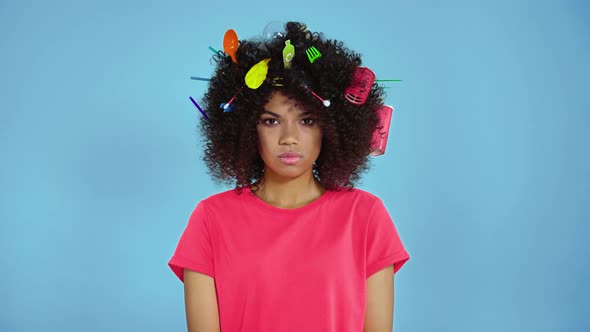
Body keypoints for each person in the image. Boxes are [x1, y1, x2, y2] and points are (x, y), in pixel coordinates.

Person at [168, 21, 410, 332]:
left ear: (331, 128)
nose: (289, 137)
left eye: (307, 120)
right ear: (246, 129)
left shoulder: (365, 217)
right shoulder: (210, 219)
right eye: (271, 121)